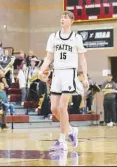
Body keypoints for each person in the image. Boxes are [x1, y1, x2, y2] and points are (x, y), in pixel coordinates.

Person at [38, 10, 89, 151]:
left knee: (62, 107)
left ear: (71, 21)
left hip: (69, 73)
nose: (62, 19)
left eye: (65, 17)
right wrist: (41, 70)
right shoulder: (53, 37)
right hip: (57, 74)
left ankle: (62, 140)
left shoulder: (76, 38)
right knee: (53, 108)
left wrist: (85, 76)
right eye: (61, 17)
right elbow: (49, 57)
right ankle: (71, 130)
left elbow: (82, 59)